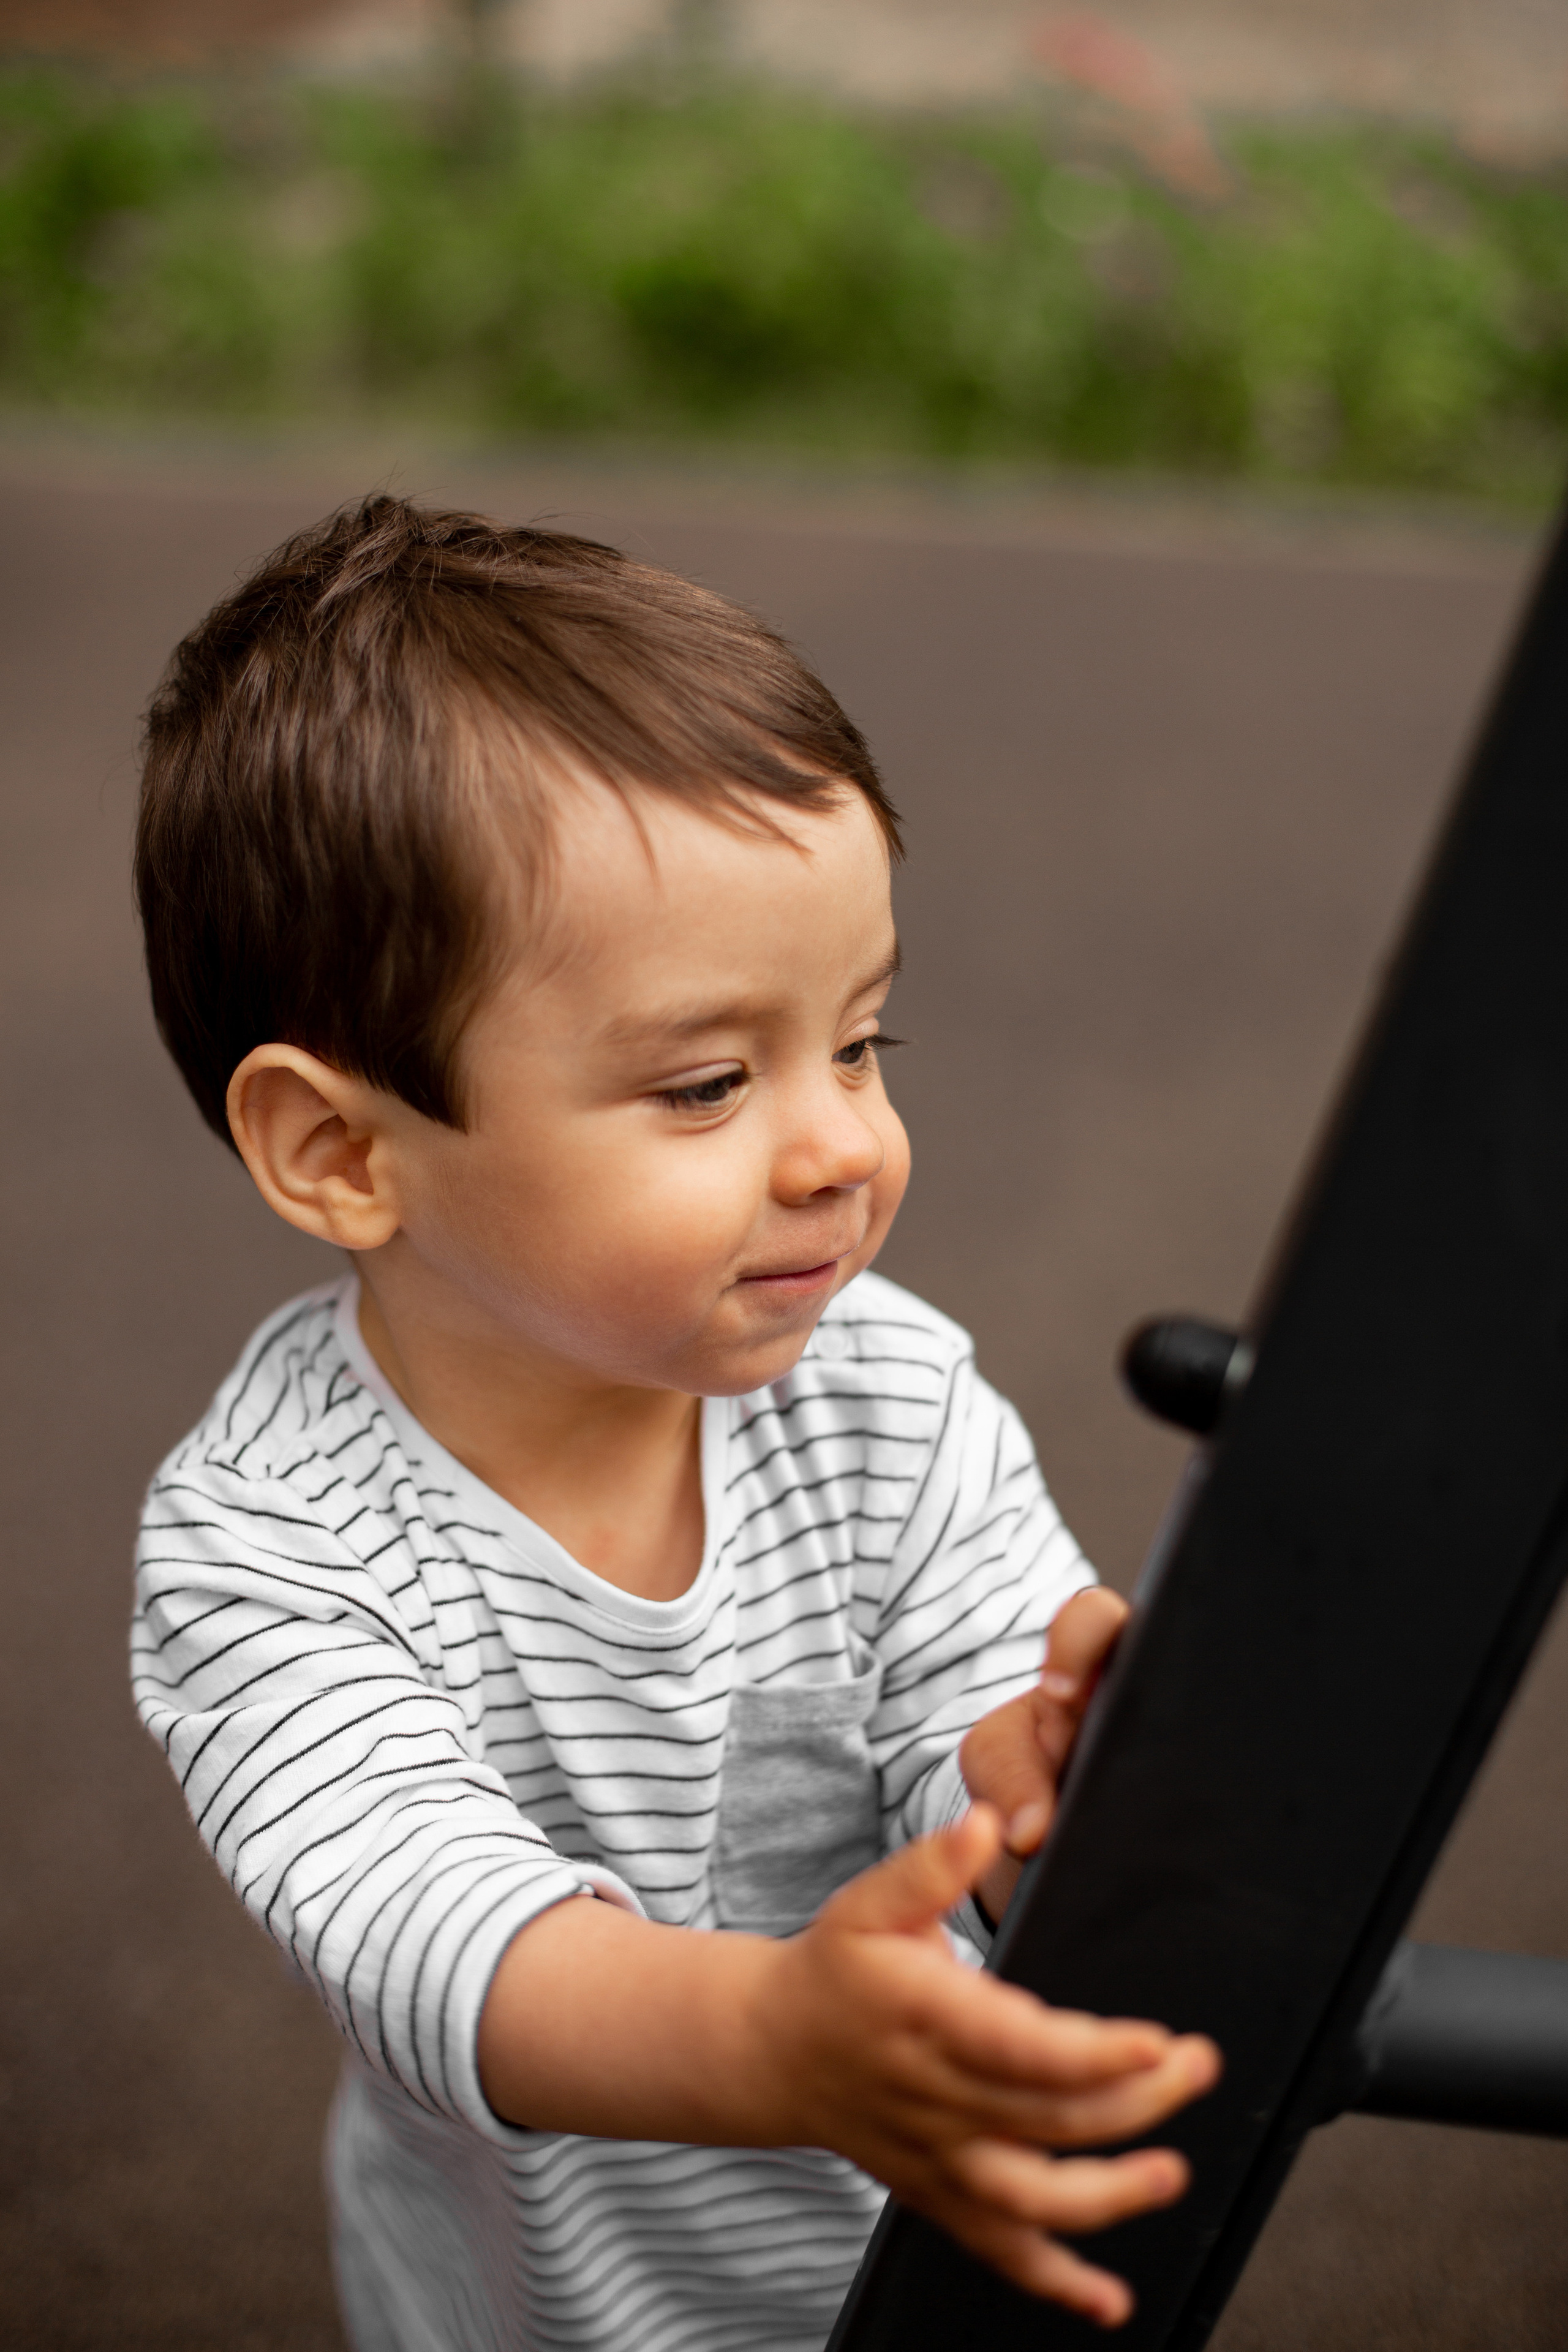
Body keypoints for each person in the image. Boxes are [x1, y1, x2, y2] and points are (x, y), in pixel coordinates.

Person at [129, 496, 1218, 2352]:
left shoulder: (882, 1393)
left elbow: (963, 1742)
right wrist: (775, 2041)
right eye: (711, 1081)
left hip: (939, 2245)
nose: (841, 1147)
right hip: (551, 2311)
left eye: (864, 1042)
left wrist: (1039, 1780)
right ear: (343, 1151)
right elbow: (447, 1954)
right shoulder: (270, 1554)